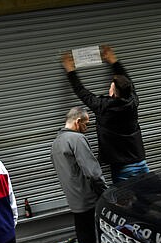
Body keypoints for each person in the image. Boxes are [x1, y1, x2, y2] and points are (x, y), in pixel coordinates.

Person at [61, 45, 149, 183]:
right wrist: (114, 60)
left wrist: (70, 70)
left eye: (111, 85)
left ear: (113, 92)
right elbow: (128, 82)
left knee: (126, 203)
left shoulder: (103, 107)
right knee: (148, 199)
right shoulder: (133, 101)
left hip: (122, 168)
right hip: (141, 162)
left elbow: (82, 92)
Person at [50, 107, 108, 243]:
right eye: (86, 124)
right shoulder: (77, 139)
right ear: (78, 122)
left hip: (75, 204)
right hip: (90, 201)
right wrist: (106, 192)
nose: (87, 128)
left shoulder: (56, 143)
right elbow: (92, 172)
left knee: (84, 242)